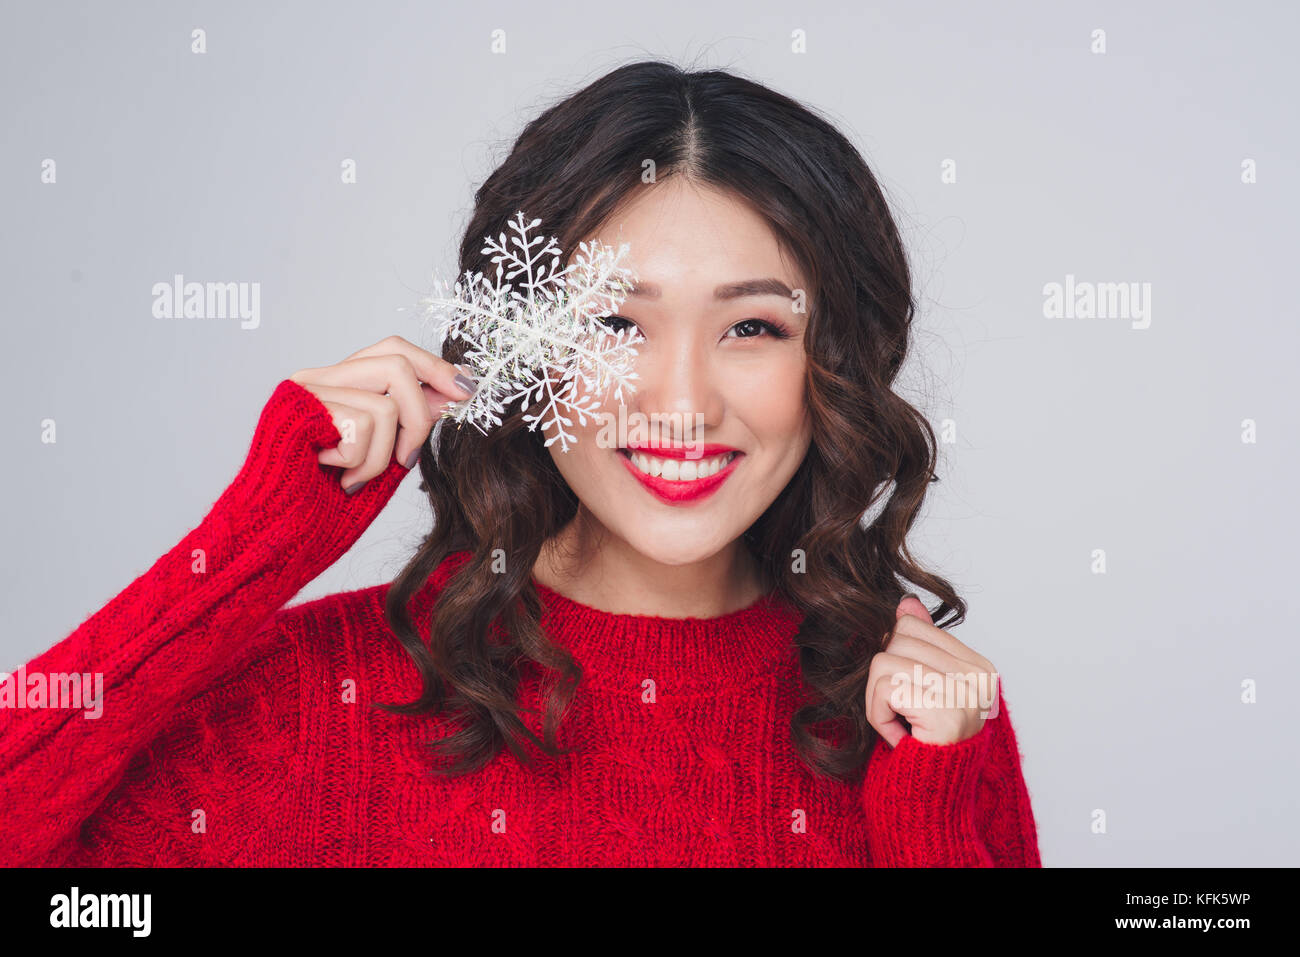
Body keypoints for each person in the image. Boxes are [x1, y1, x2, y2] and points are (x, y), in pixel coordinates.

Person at [0, 60, 1040, 866]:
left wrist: (931, 819)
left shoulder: (917, 722)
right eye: (615, 324)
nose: (680, 403)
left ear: (837, 363)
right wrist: (251, 547)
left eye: (753, 328)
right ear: (519, 350)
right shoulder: (325, 702)